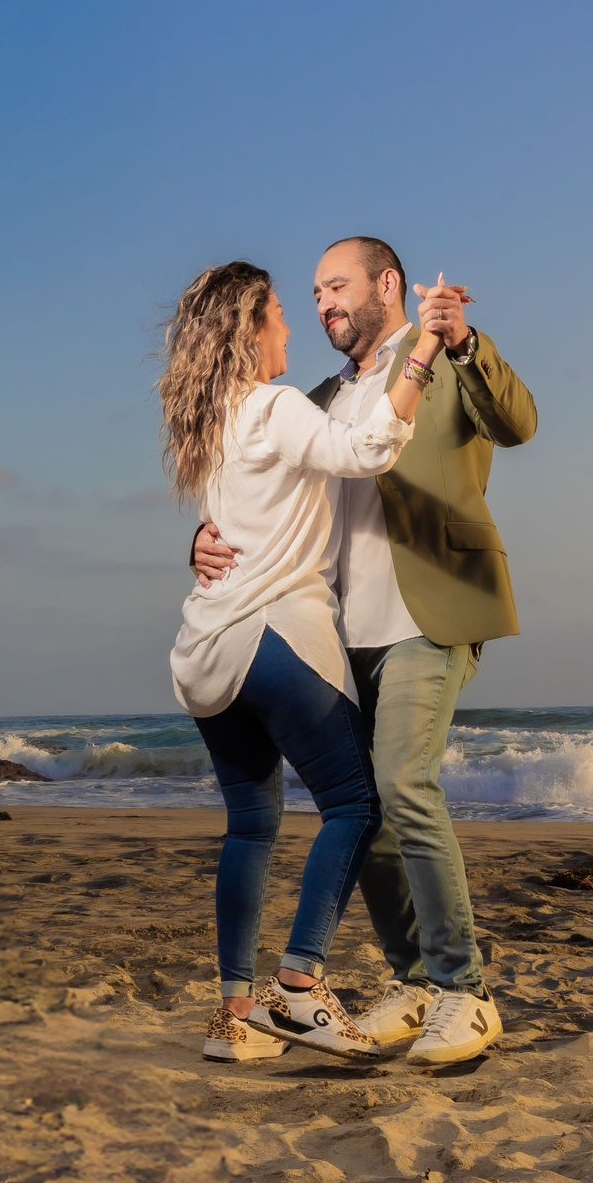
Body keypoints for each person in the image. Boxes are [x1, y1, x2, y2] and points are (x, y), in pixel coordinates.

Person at [193, 236, 536, 1068]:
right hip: (339, 634)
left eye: (336, 286)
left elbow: (517, 423)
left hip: (427, 612)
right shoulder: (307, 398)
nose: (322, 304)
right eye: (311, 293)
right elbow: (257, 491)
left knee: (403, 786)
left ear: (388, 285)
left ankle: (467, 991)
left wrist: (457, 340)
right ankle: (414, 984)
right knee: (370, 812)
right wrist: (201, 540)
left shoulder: (443, 362)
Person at [162, 259, 453, 1063]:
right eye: (282, 313)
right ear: (252, 329)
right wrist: (421, 354)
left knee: (251, 827)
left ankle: (236, 1017)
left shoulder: (211, 420)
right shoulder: (273, 403)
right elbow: (365, 452)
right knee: (357, 805)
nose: (293, 325)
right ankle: (299, 985)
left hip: (203, 652)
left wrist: (195, 544)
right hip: (272, 638)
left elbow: (230, 526)